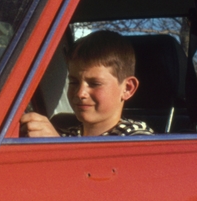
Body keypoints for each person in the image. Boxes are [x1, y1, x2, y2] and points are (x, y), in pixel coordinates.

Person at [20, 30, 153, 137]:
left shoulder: (137, 139)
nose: (80, 93)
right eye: (73, 82)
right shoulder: (67, 135)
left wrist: (57, 150)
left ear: (127, 88)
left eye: (95, 83)